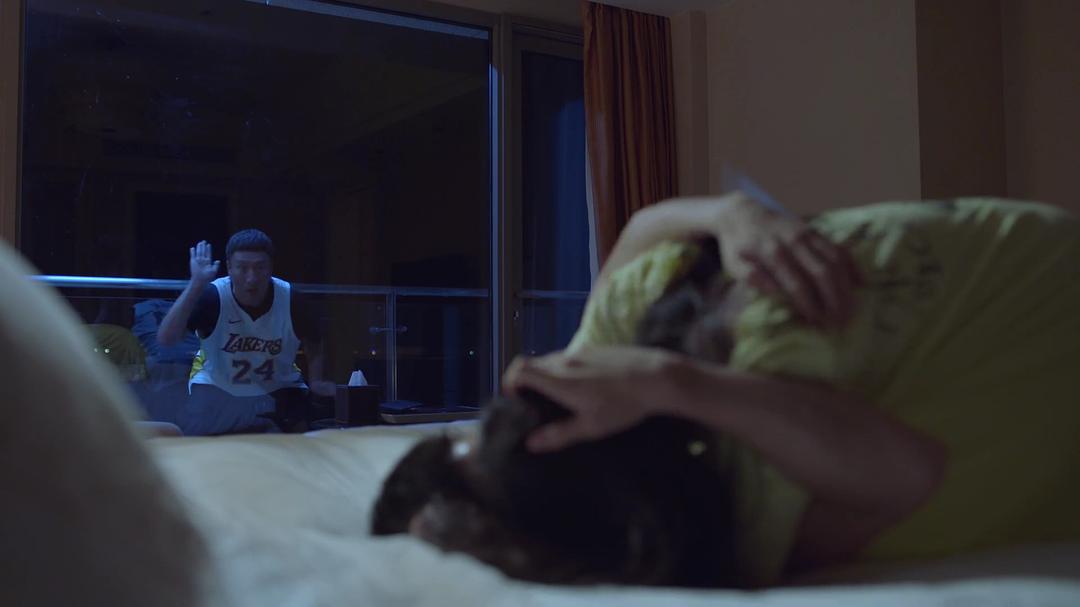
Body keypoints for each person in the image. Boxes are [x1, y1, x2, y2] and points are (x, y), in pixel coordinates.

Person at [502, 193, 1080, 584]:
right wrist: (674, 382)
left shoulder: (611, 341)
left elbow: (640, 230)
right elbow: (909, 472)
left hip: (1038, 254)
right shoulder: (739, 515)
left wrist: (731, 212)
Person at [157, 229, 334, 435]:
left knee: (300, 440)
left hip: (279, 387)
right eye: (242, 268)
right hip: (218, 386)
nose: (251, 278)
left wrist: (317, 380)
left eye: (260, 268)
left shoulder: (292, 299)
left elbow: (314, 339)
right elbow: (166, 339)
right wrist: (196, 284)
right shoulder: (213, 296)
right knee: (199, 439)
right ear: (229, 268)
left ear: (270, 268)